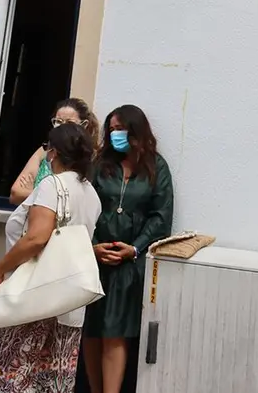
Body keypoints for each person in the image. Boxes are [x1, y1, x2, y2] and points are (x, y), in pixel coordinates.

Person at [0, 123, 102, 392]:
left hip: (34, 297)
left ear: (54, 153)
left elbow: (37, 237)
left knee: (13, 378)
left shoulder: (52, 185)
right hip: (69, 304)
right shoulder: (91, 193)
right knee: (51, 382)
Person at [83, 105, 174, 393]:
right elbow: (85, 205)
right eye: (111, 130)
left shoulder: (156, 168)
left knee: (115, 332)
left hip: (129, 264)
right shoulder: (100, 165)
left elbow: (161, 217)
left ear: (137, 131)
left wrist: (134, 248)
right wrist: (93, 245)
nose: (114, 135)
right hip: (95, 257)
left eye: (120, 129)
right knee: (91, 330)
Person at [11, 98, 100, 205]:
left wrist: (34, 192)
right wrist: (58, 196)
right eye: (58, 121)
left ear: (84, 125)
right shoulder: (44, 151)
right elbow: (15, 194)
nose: (63, 126)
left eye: (69, 122)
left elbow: (82, 199)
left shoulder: (93, 157)